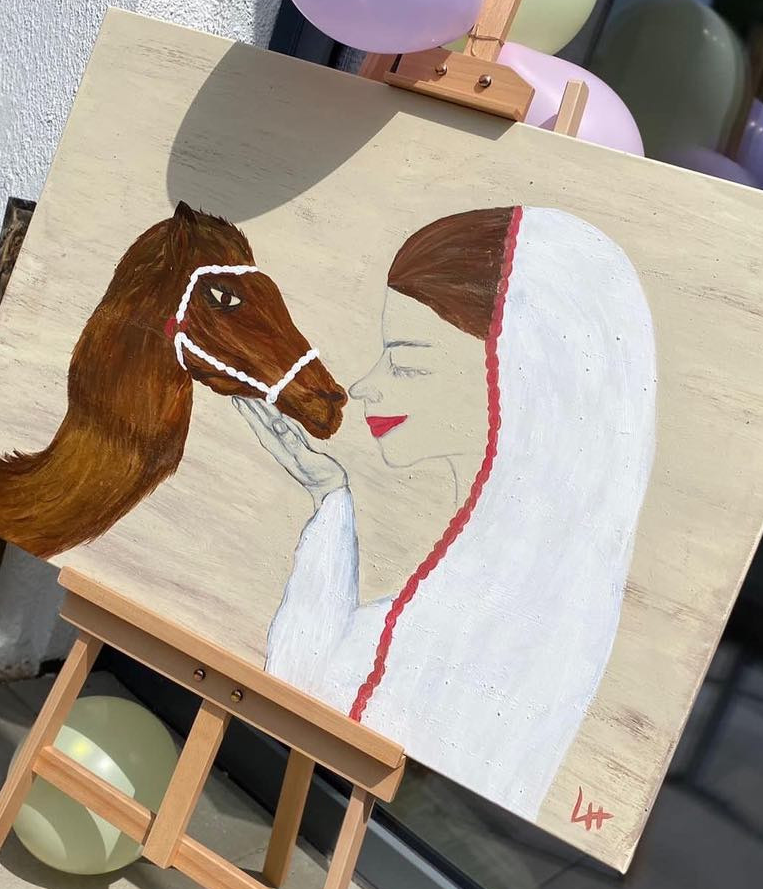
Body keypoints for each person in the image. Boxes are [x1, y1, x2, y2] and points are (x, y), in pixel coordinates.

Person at [236, 206, 656, 821]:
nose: (363, 386)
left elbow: (314, 695)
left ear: (523, 380)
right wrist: (330, 498)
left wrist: (331, 508)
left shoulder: (508, 628)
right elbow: (301, 698)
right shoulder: (477, 596)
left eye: (406, 361)